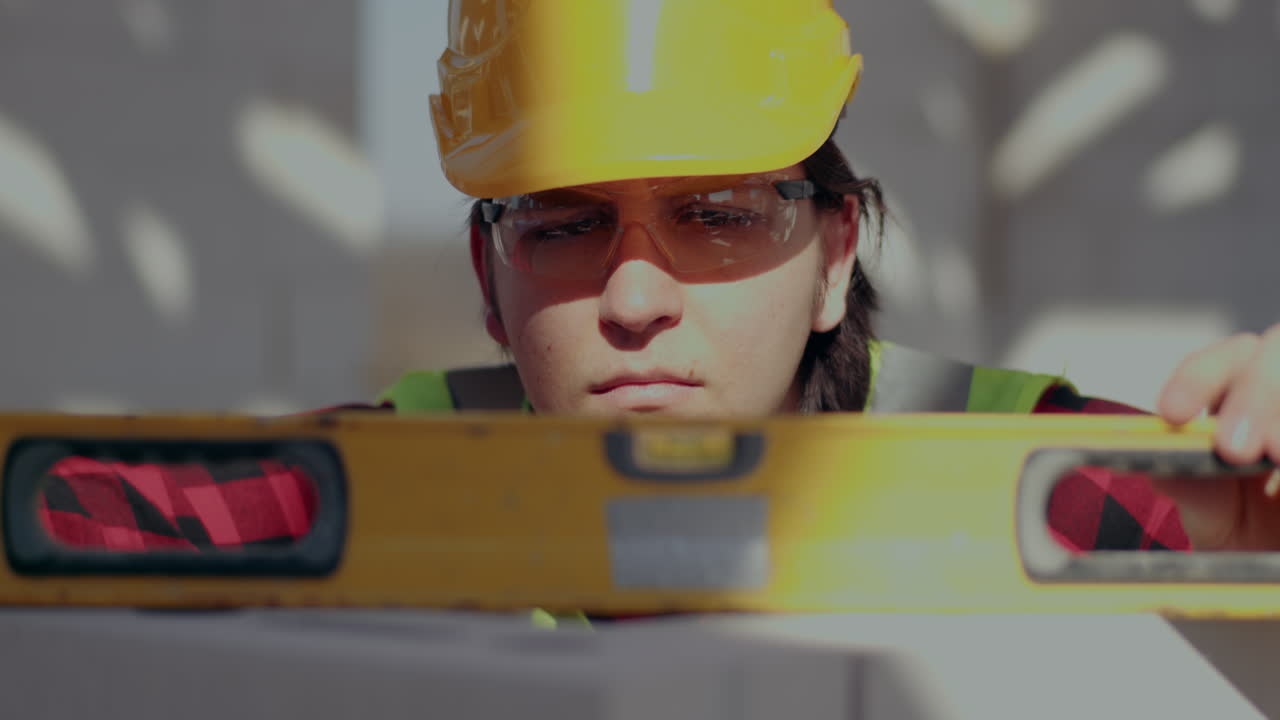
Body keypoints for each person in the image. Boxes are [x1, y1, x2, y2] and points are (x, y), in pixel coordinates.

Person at [39, 0, 1280, 558]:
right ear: (487, 276)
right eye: (566, 226)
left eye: (716, 217)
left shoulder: (1024, 475)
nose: (633, 300)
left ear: (835, 256)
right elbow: (74, 519)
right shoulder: (389, 493)